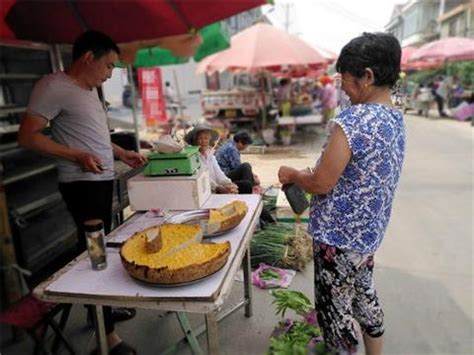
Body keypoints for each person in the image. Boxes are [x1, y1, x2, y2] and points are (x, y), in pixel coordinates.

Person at [18, 30, 147, 355]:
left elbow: (96, 135)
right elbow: (28, 137)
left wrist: (119, 153)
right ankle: (108, 338)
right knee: (96, 256)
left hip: (100, 182)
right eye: (108, 65)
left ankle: (99, 311)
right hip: (81, 186)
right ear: (88, 57)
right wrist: (75, 155)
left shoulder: (89, 91)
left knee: (99, 250)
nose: (110, 73)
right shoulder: (52, 86)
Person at [278, 32, 406, 355]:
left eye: (346, 81)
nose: (344, 90)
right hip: (367, 237)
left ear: (368, 77)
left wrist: (293, 175)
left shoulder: (354, 119)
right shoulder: (395, 118)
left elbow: (322, 182)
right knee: (365, 298)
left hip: (338, 239)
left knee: (336, 316)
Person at [184, 125, 247, 194]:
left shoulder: (210, 156)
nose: (203, 141)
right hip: (206, 191)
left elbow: (219, 174)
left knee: (245, 185)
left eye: (206, 138)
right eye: (200, 138)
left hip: (217, 187)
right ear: (195, 141)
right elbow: (204, 178)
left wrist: (229, 184)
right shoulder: (194, 157)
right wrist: (218, 188)